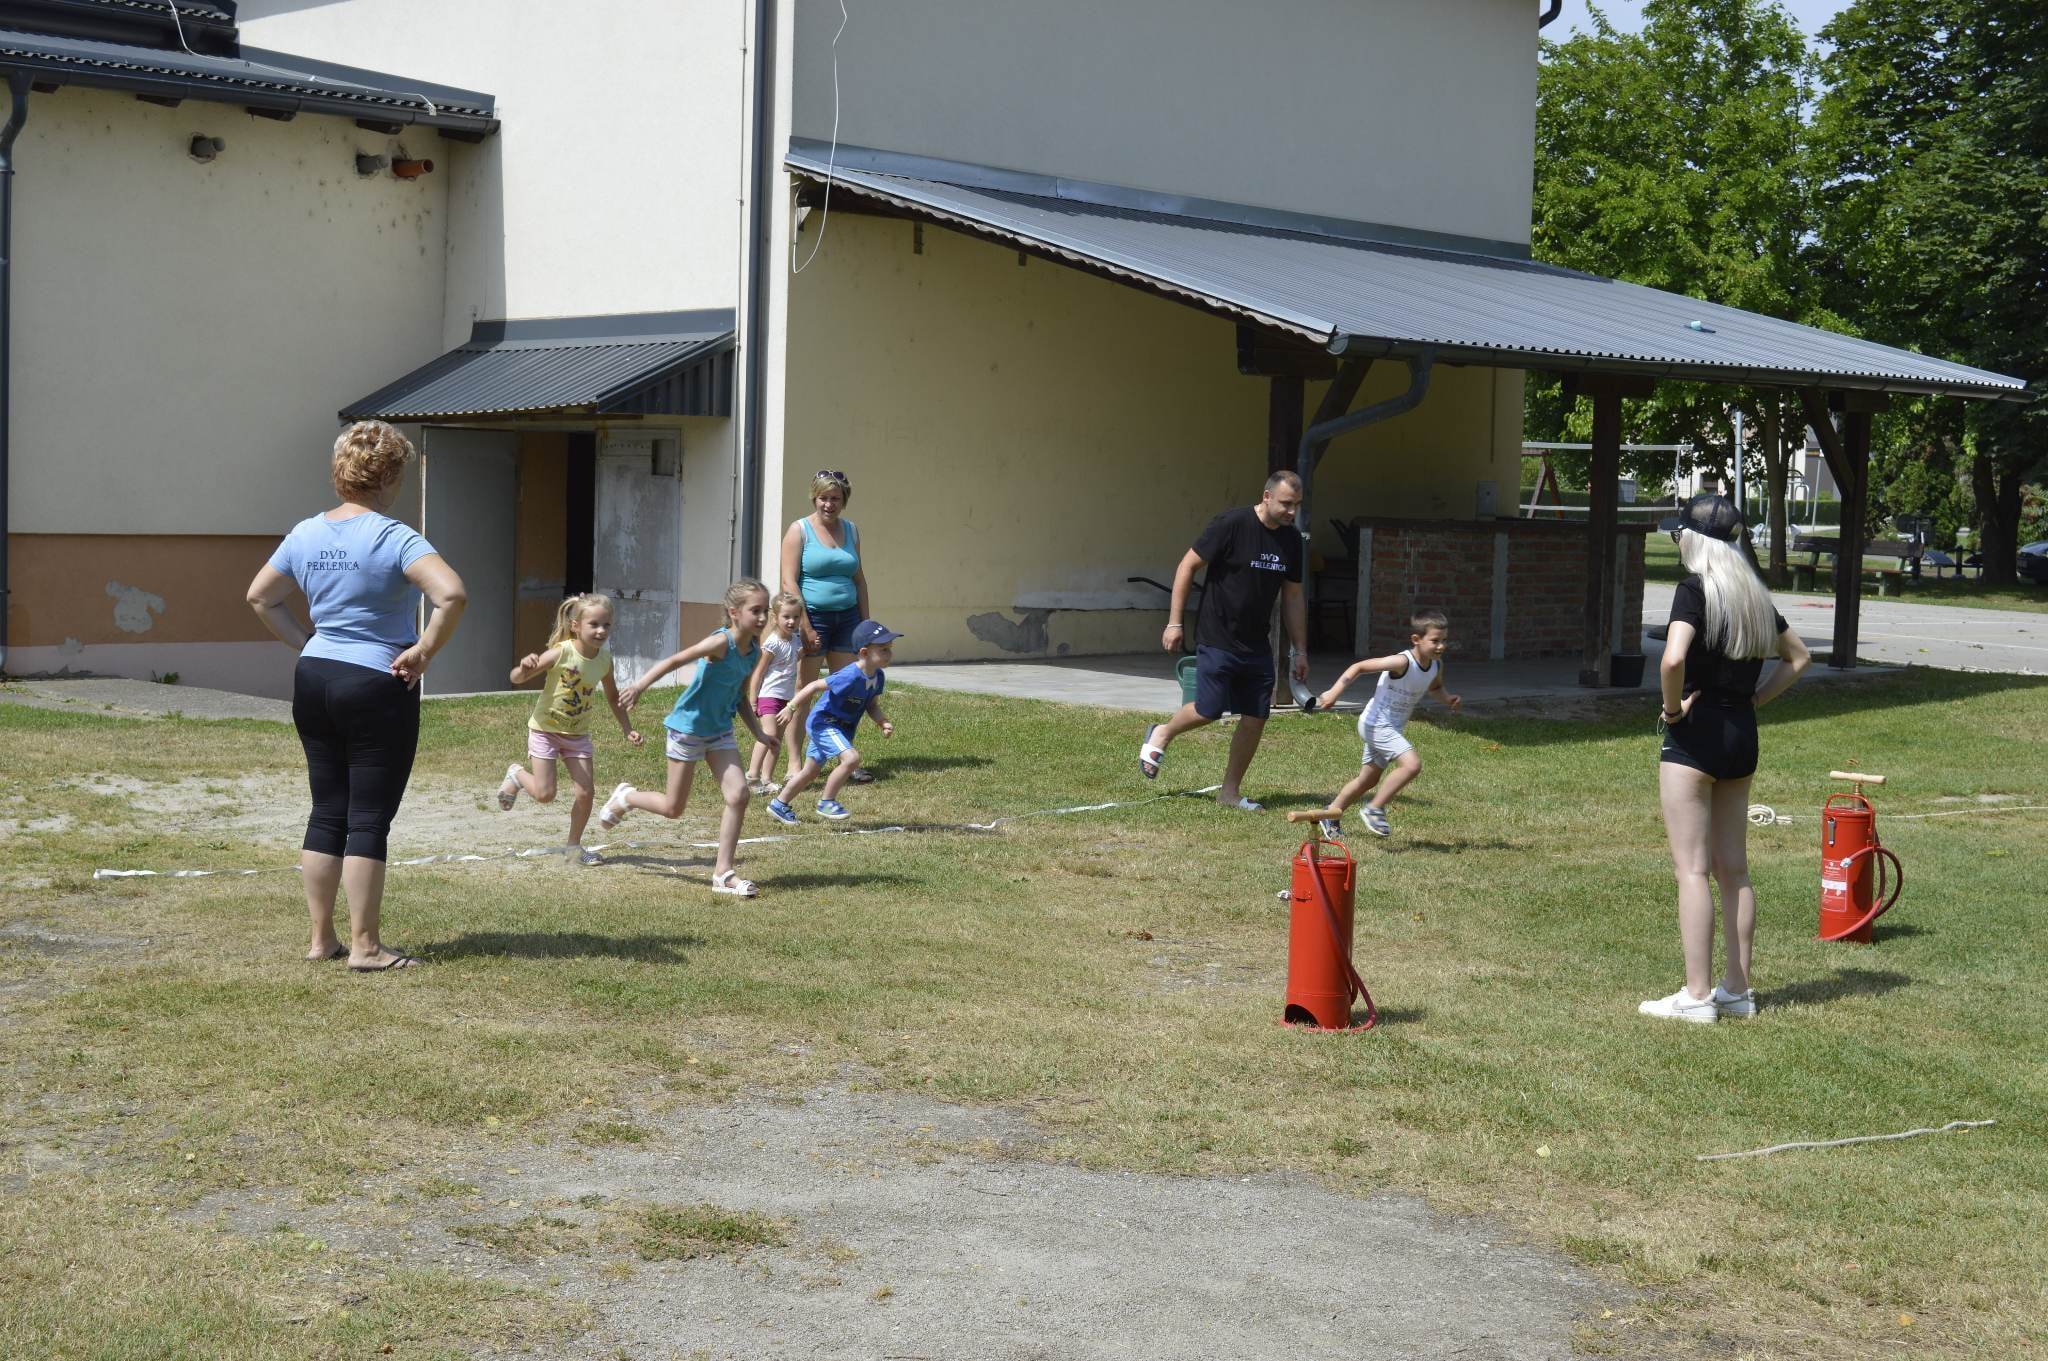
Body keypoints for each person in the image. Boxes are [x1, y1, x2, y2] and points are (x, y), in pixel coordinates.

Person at [245, 420, 466, 972]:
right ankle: (365, 947)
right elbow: (452, 593)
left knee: (326, 810)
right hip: (375, 681)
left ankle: (322, 939)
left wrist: (307, 644)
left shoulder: (305, 533)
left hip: (315, 677)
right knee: (367, 818)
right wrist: (423, 651)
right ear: (389, 476)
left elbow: (260, 597)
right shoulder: (394, 537)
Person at [1641, 494, 1810, 1023]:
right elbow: (1798, 658)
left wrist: (1672, 711)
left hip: (1696, 735)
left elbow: (1672, 659)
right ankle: (1737, 991)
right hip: (1742, 733)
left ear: (1691, 539)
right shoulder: (1753, 596)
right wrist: (1755, 700)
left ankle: (1695, 997)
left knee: (1691, 869)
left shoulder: (1693, 591)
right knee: (1733, 870)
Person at [1137, 471, 1307, 811]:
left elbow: (1292, 596)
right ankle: (1163, 733)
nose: (1291, 512)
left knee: (1256, 716)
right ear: (1267, 496)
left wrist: (1299, 649)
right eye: (1287, 504)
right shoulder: (1232, 524)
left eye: (1297, 506)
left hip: (1257, 642)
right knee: (1209, 709)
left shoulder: (1291, 541)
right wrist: (1174, 622)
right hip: (1217, 635)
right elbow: (1187, 566)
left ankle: (1229, 792)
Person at [599, 580, 779, 898]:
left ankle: (723, 873)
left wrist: (759, 734)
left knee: (738, 795)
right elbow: (674, 661)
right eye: (756, 611)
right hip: (688, 730)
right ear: (734, 613)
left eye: (766, 610)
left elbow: (738, 695)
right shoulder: (720, 643)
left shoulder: (753, 651)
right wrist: (639, 687)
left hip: (720, 731)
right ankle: (626, 798)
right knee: (673, 808)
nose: (763, 617)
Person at [496, 594, 644, 863]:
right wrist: (524, 667)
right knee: (544, 794)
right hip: (545, 730)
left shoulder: (604, 661)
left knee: (586, 792)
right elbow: (516, 678)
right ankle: (517, 775)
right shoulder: (562, 651)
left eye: (607, 625)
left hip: (577, 735)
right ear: (576, 625)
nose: (601, 631)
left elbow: (612, 697)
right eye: (594, 624)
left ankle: (573, 848)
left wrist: (627, 728)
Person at [1310, 607, 1461, 839]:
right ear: (1416, 639)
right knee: (1411, 765)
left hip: (1391, 727)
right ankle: (1374, 809)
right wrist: (1333, 692)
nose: (1441, 646)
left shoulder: (1435, 666)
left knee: (1368, 779)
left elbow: (1436, 687)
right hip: (1376, 723)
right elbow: (1358, 667)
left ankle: (1330, 813)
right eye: (1435, 641)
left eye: (1444, 640)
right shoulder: (1402, 662)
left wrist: (1447, 698)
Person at [779, 469, 878, 783]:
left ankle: (843, 758)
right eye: (823, 497)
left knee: (845, 691)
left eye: (835, 498)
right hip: (813, 618)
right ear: (814, 497)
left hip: (847, 619)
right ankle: (794, 762)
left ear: (844, 500)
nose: (829, 504)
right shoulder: (800, 530)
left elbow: (859, 580)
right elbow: (788, 581)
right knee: (802, 692)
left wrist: (865, 624)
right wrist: (805, 627)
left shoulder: (852, 530)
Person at [766, 619, 899, 824]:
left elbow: (871, 704)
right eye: (883, 649)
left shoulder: (878, 677)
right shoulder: (849, 675)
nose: (889, 654)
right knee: (851, 759)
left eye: (889, 649)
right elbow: (811, 687)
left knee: (810, 771)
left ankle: (779, 804)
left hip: (841, 728)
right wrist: (790, 708)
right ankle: (827, 802)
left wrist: (882, 721)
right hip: (825, 723)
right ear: (864, 652)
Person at [745, 591, 807, 794]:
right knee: (768, 735)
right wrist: (753, 700)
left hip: (785, 698)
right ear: (775, 617)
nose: (791, 621)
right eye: (786, 617)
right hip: (769, 696)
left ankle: (766, 778)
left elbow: (797, 656)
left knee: (776, 742)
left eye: (796, 617)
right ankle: (752, 777)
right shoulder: (772, 643)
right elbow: (758, 672)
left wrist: (811, 646)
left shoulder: (794, 641)